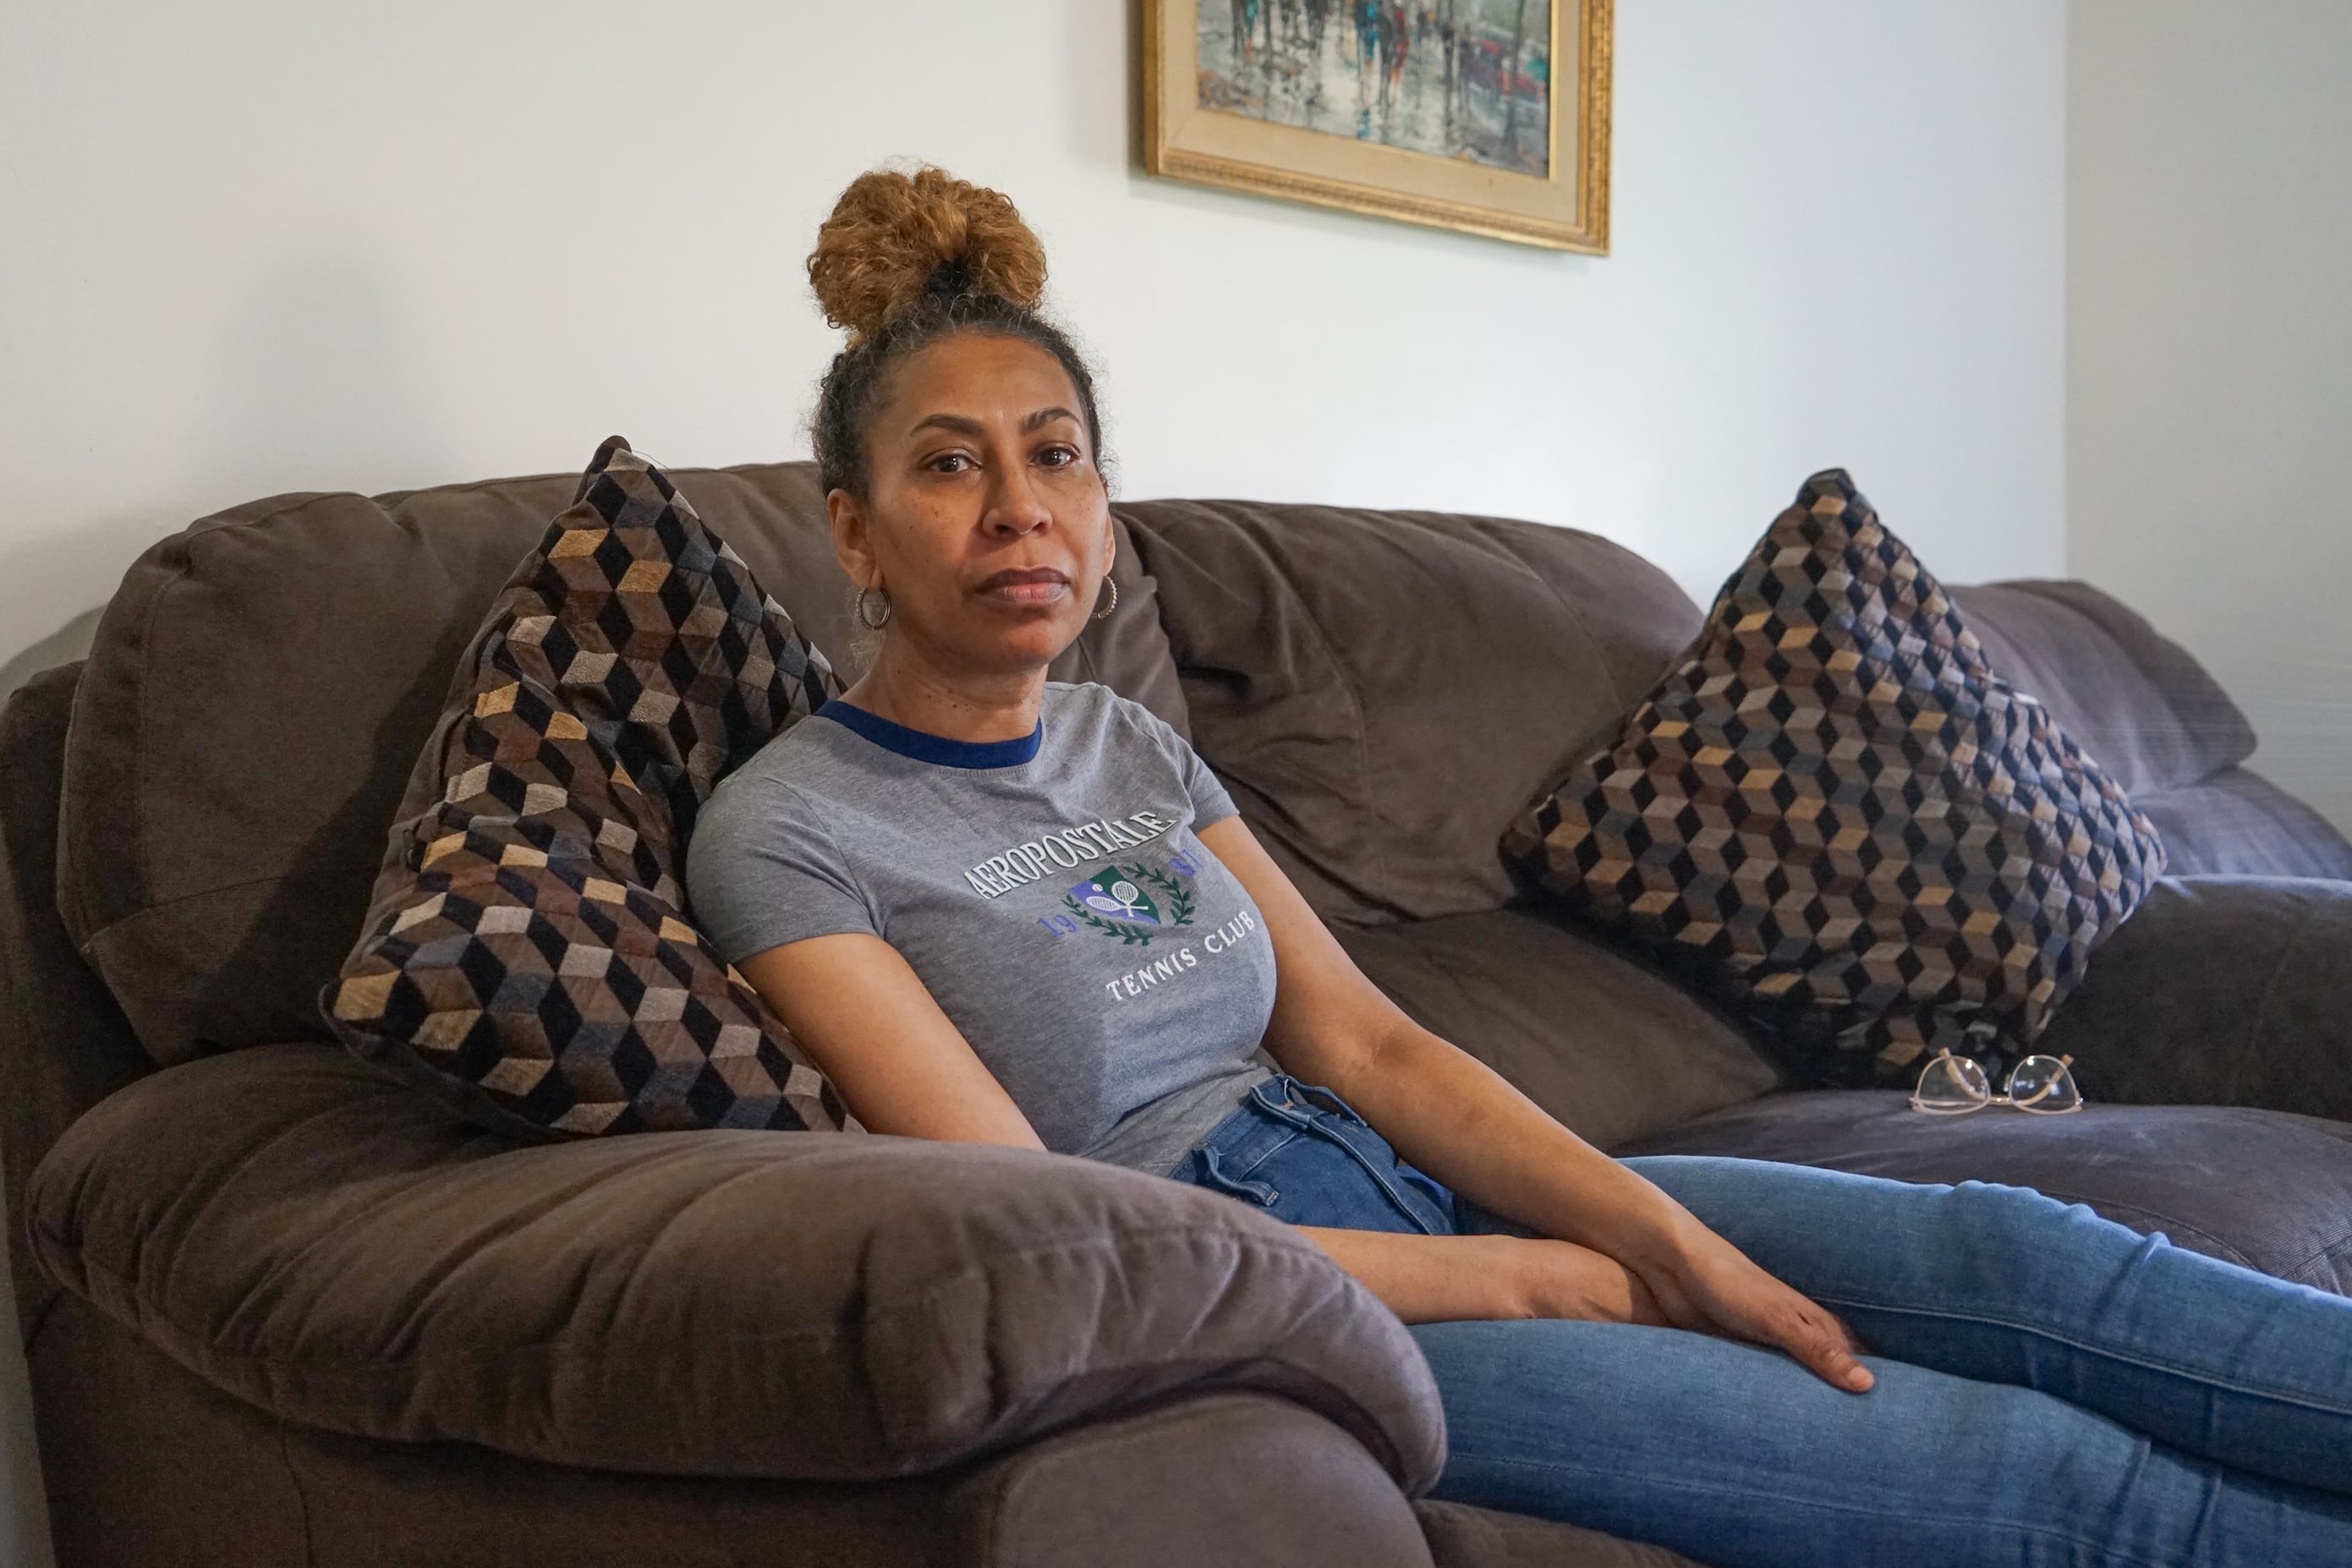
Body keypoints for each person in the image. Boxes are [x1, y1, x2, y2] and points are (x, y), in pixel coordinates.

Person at [687, 166, 2352, 1567]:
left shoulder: (1127, 743)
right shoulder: (794, 833)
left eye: (1054, 453)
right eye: (947, 463)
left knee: (2022, 1254)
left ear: (1102, 501)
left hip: (1393, 1173)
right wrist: (1503, 1277)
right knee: (2041, 1481)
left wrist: (1657, 1235)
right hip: (1256, 1297)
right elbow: (1056, 1227)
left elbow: (1370, 1043)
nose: (1017, 508)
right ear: (851, 528)